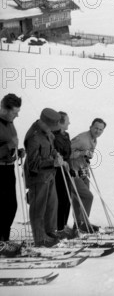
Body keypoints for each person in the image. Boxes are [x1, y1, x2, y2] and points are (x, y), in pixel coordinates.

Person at [24, 108, 63, 247]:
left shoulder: (48, 132)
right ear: (45, 123)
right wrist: (53, 162)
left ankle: (49, 232)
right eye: (52, 126)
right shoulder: (34, 137)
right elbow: (33, 164)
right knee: (38, 207)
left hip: (49, 174)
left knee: (52, 204)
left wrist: (56, 154)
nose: (53, 130)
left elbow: (51, 148)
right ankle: (40, 238)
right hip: (38, 177)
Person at [70, 118, 106, 232]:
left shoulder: (94, 139)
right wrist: (81, 153)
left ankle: (78, 224)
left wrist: (86, 158)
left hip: (83, 171)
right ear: (90, 126)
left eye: (101, 129)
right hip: (74, 172)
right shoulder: (81, 138)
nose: (98, 131)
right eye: (96, 128)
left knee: (78, 199)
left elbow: (86, 154)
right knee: (87, 197)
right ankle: (83, 223)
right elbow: (66, 152)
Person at [0, 94, 22, 245]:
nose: (17, 115)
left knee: (11, 206)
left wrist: (17, 151)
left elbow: (9, 143)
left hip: (9, 169)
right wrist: (9, 146)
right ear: (4, 109)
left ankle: (4, 240)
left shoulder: (9, 122)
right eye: (15, 112)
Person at [53, 112, 73, 237]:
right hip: (58, 170)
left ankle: (64, 225)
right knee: (61, 198)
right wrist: (62, 160)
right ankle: (59, 227)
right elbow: (56, 152)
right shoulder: (54, 136)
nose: (69, 123)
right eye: (67, 121)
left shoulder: (66, 135)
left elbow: (69, 152)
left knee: (67, 198)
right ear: (60, 122)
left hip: (66, 168)